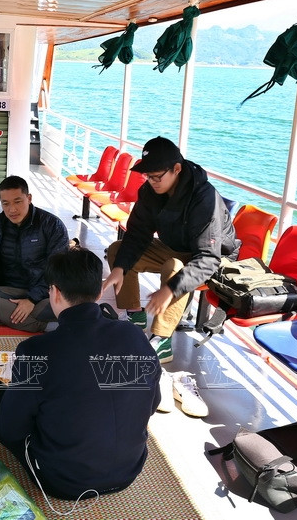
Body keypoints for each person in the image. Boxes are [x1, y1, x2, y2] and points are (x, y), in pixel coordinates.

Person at [0, 248, 160, 504]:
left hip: (64, 481)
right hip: (129, 470)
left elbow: (12, 429)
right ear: (99, 292)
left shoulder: (37, 351)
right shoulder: (134, 335)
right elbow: (153, 403)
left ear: (54, 292)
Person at [101, 136, 239, 417]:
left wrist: (169, 289)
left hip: (206, 256)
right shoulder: (151, 191)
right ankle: (135, 316)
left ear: (176, 169)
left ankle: (161, 340)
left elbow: (208, 258)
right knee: (118, 250)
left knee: (174, 268)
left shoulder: (204, 198)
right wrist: (119, 268)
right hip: (173, 246)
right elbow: (137, 234)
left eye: (156, 176)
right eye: (147, 176)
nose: (151, 181)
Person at [0, 175, 69, 332]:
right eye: (6, 204)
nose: (12, 209)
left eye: (18, 202)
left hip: (45, 292)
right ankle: (47, 325)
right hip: (12, 290)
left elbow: (57, 271)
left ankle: (21, 316)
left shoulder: (52, 225)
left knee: (70, 304)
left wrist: (31, 300)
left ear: (29, 198)